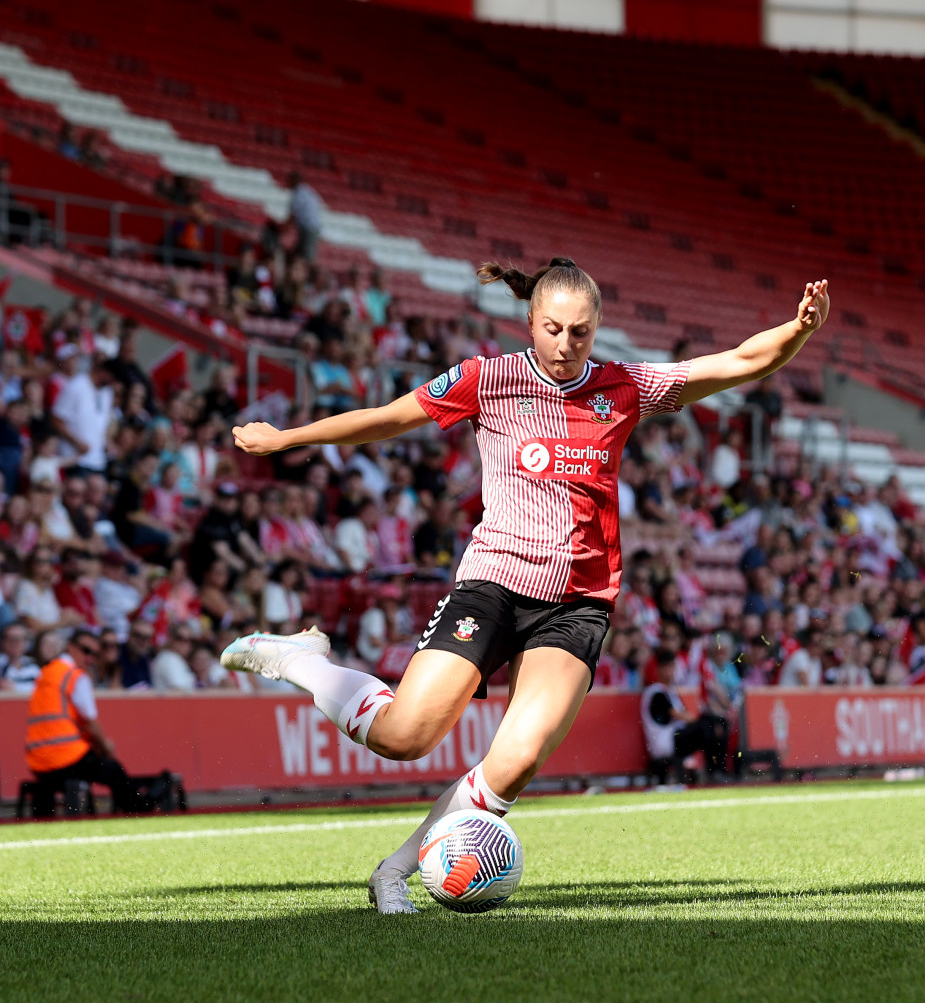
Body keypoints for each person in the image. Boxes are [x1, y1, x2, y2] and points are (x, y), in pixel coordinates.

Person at [220, 257, 829, 913]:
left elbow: (736, 363)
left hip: (578, 605)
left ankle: (394, 874)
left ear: (597, 330)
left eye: (581, 333)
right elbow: (392, 417)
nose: (566, 345)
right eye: (554, 328)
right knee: (404, 735)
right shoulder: (490, 379)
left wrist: (797, 330)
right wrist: (287, 439)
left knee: (514, 762)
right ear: (530, 322)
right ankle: (303, 662)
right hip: (493, 584)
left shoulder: (625, 386)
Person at [24, 629, 132, 814]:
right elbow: (90, 722)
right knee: (114, 770)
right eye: (86, 651)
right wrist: (105, 749)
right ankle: (138, 811)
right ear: (70, 647)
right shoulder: (75, 676)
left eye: (95, 654)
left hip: (36, 760)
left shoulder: (46, 673)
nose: (90, 658)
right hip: (66, 758)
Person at [641, 648, 727, 785]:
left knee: (720, 722)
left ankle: (719, 770)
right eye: (666, 667)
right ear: (658, 669)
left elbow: (686, 715)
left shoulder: (670, 691)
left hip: (675, 737)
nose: (670, 671)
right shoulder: (655, 692)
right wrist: (702, 721)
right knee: (707, 726)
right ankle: (713, 772)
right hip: (665, 742)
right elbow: (679, 715)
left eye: (672, 666)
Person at [285, 171, 323, 262]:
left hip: (308, 229)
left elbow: (292, 216)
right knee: (299, 253)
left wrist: (282, 229)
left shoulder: (298, 194)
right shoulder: (308, 191)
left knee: (307, 257)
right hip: (312, 228)